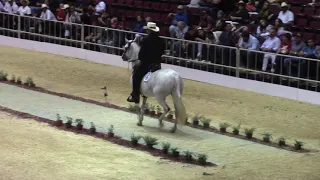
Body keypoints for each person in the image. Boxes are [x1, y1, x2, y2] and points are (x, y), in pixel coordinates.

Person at [127, 22, 166, 103]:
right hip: (157, 64)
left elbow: (141, 55)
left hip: (147, 64)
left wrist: (141, 58)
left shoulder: (145, 40)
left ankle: (135, 95)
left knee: (136, 75)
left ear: (149, 31)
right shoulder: (161, 41)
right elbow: (162, 52)